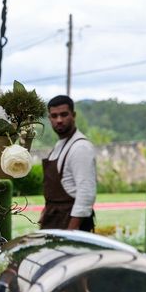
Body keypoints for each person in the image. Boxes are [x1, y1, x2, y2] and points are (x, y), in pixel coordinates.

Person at [39, 95, 96, 231]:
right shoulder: (60, 145)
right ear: (49, 118)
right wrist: (45, 212)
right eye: (54, 116)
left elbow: (86, 193)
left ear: (73, 115)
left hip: (71, 224)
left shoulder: (80, 147)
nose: (59, 120)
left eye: (64, 115)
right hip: (54, 220)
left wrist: (71, 232)